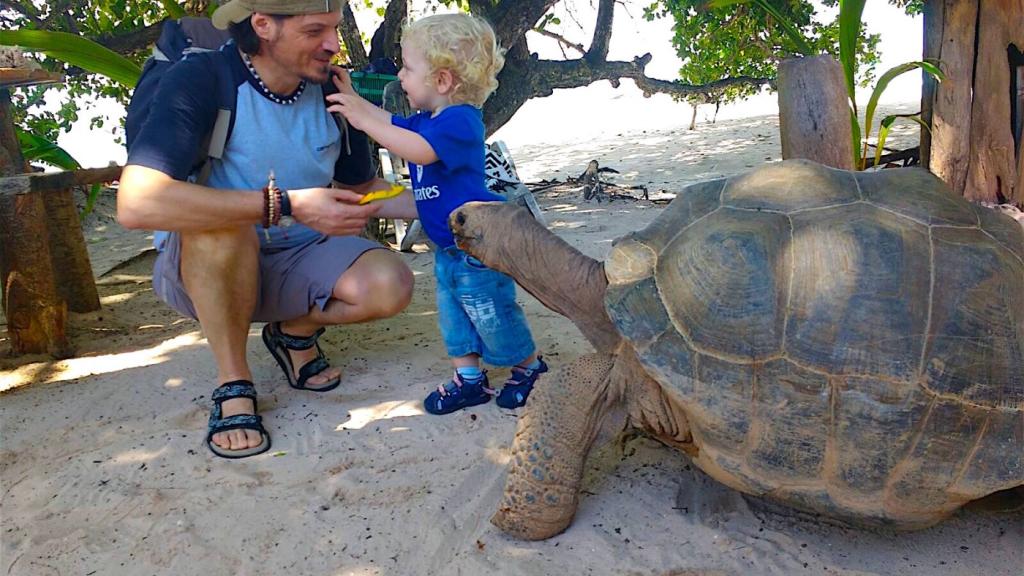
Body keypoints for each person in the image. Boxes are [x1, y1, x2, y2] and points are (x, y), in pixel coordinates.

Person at [118, 0, 414, 459]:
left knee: (388, 284)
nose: (332, 46)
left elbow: (363, 187)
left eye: (334, 29)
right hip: (206, 263)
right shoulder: (201, 80)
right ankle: (234, 381)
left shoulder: (330, 89)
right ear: (263, 26)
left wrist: (454, 208)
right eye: (316, 31)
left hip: (296, 254)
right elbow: (136, 202)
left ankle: (291, 332)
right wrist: (286, 204)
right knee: (226, 226)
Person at [328, 13, 549, 415]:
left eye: (408, 68)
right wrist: (355, 103)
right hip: (447, 250)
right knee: (454, 319)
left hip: (478, 249)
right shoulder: (427, 121)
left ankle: (530, 368)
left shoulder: (461, 121)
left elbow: (417, 151)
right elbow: (392, 123)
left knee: (493, 315)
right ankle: (469, 379)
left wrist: (361, 120)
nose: (400, 75)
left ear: (443, 81)